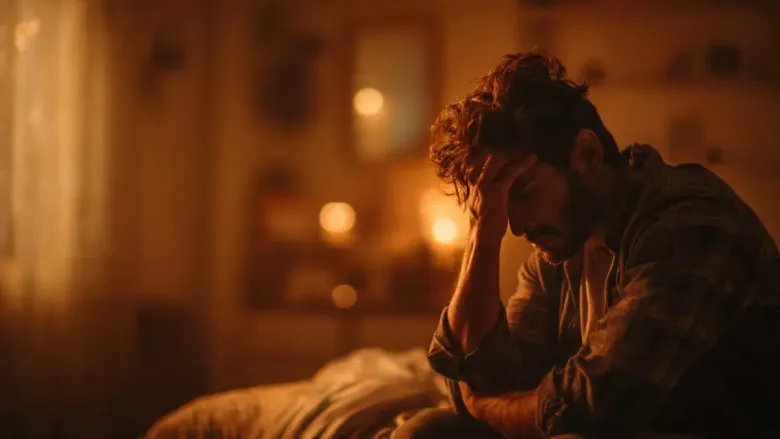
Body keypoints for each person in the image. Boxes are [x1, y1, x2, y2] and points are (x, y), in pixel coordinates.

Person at [395, 51, 780, 438]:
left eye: (524, 192)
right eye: (499, 206)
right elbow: (483, 375)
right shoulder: (559, 247)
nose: (516, 226)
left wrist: (488, 408)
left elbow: (600, 404)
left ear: (588, 155)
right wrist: (482, 232)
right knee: (426, 431)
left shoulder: (692, 225)